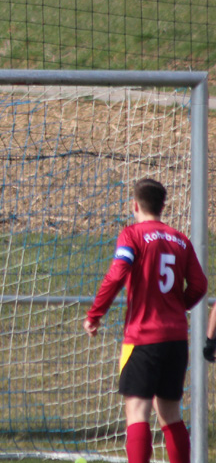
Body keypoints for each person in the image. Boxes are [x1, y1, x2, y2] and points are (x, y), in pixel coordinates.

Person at [83, 178, 207, 463]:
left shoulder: (132, 235)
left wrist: (95, 314)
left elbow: (117, 273)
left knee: (138, 413)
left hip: (143, 339)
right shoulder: (180, 239)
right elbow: (200, 285)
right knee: (171, 414)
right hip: (176, 340)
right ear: (163, 206)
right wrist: (176, 307)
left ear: (134, 205)